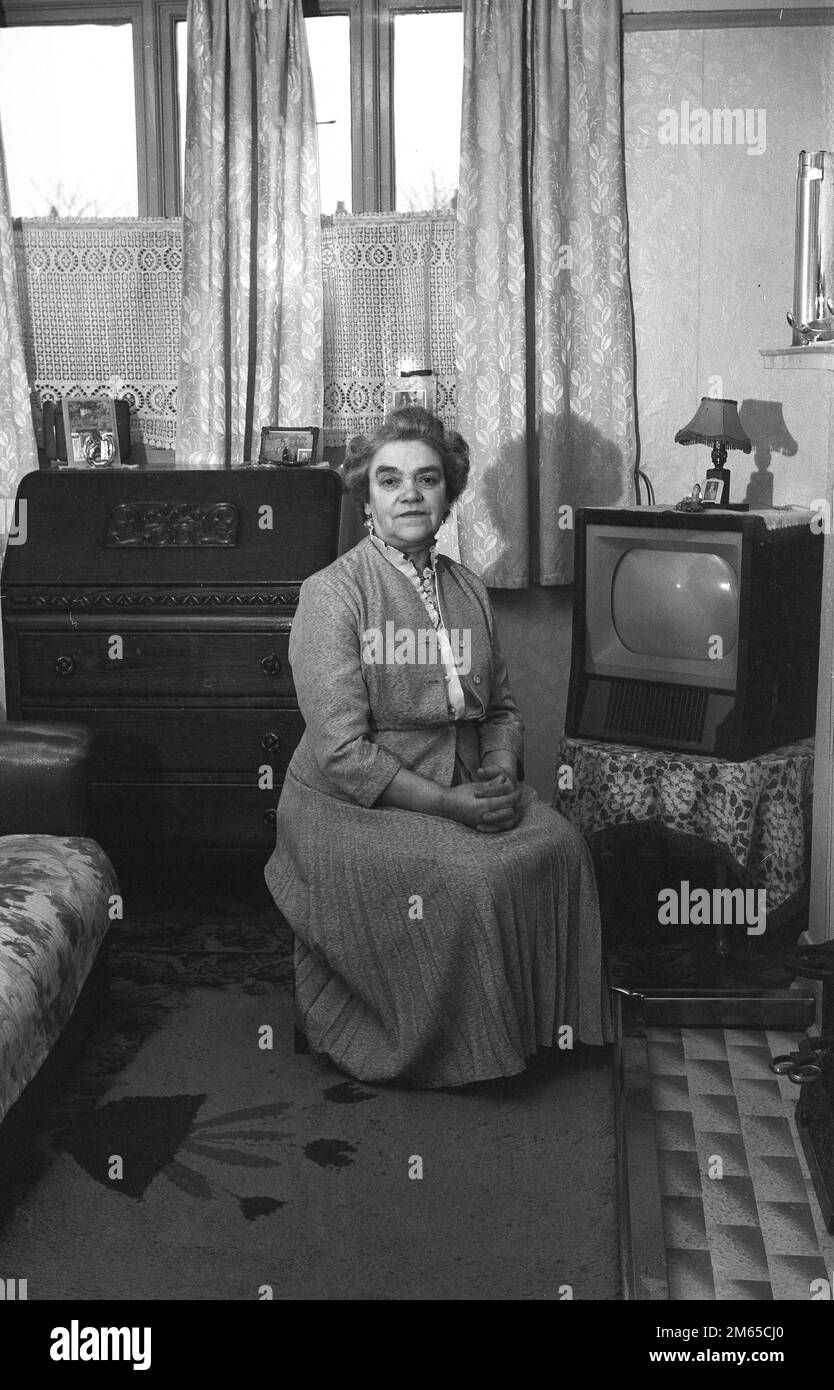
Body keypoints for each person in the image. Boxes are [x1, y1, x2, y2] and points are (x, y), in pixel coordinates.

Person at [264, 407, 609, 1088]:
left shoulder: (468, 589)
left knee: (562, 846)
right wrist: (451, 806)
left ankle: (543, 1032)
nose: (411, 495)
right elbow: (341, 752)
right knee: (472, 876)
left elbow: (502, 712)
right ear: (366, 498)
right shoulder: (332, 595)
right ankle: (468, 1050)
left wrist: (501, 773)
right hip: (351, 805)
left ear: (449, 495)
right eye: (389, 481)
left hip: (459, 780)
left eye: (427, 479)